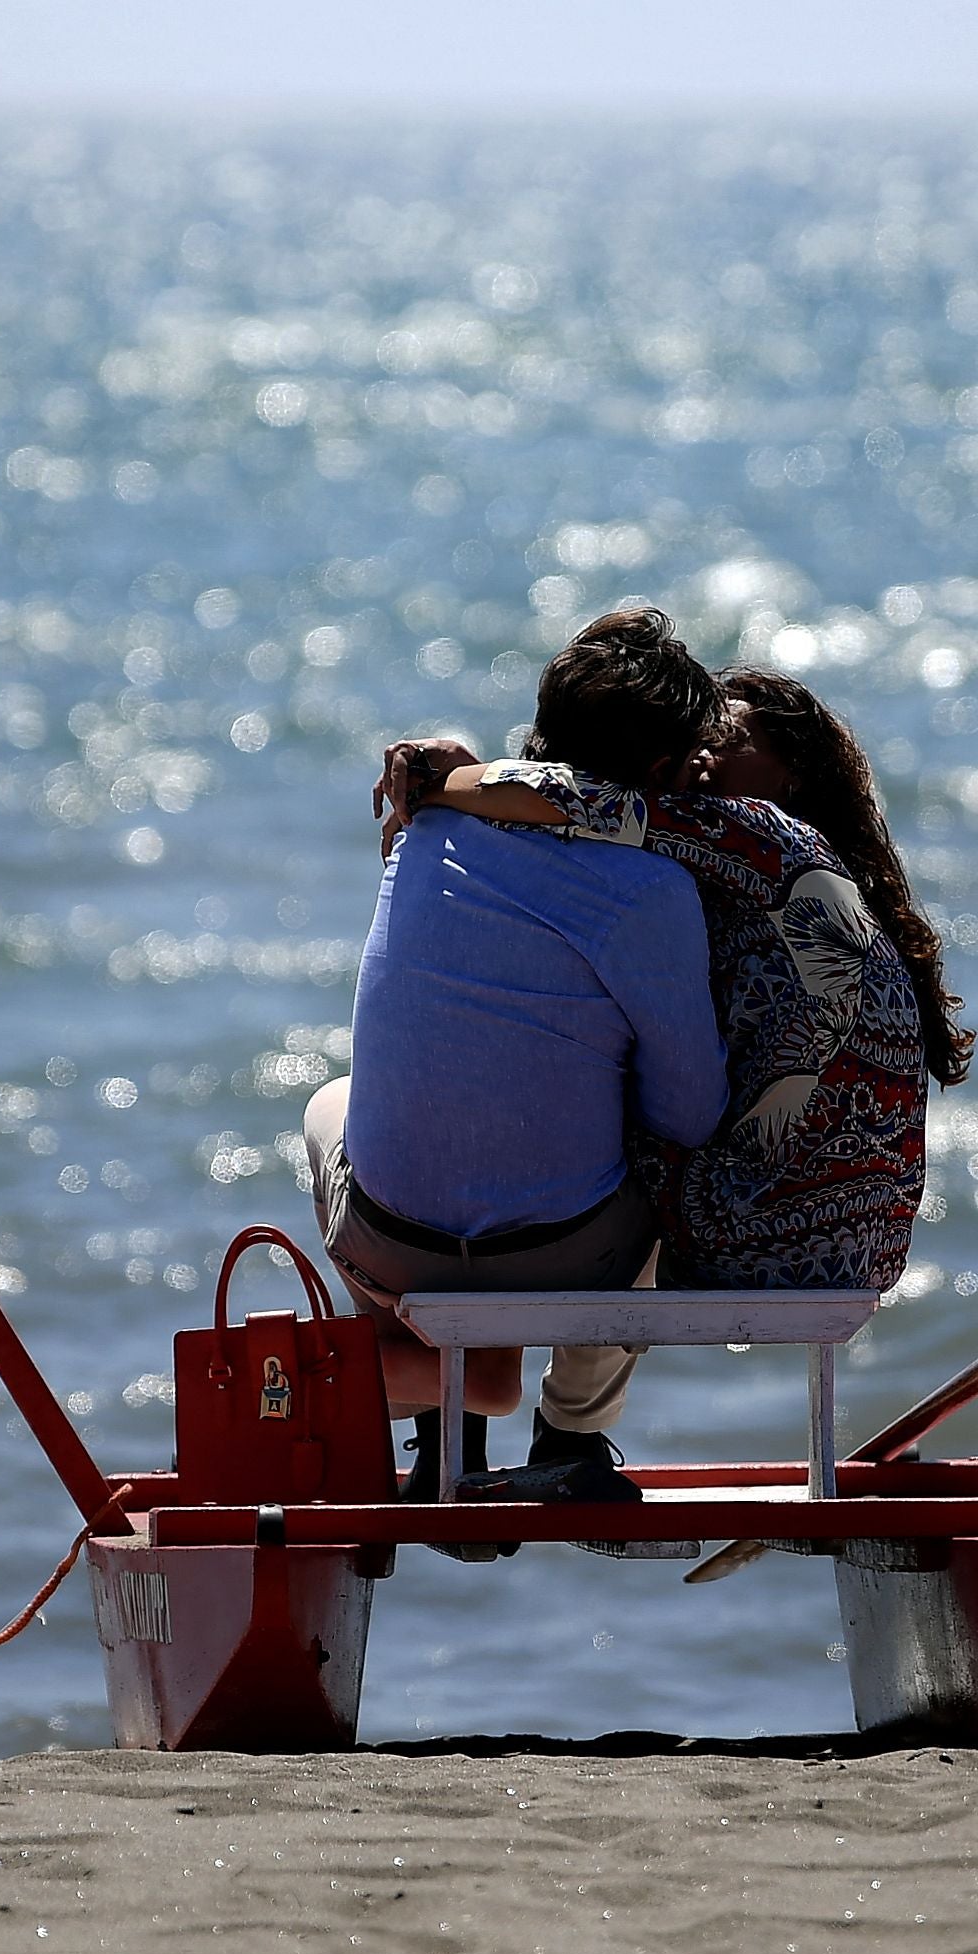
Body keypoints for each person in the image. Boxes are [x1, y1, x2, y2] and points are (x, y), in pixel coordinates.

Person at [301, 608, 726, 1518]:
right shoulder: (654, 889)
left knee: (331, 1101)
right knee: (665, 1170)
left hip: (395, 1243)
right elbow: (691, 1112)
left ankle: (444, 1422)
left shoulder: (424, 829)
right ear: (659, 774)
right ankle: (570, 1434)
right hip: (563, 1254)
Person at [378, 667, 970, 1292]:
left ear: (792, 773)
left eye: (727, 740)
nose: (703, 755)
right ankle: (571, 1391)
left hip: (744, 1241)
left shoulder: (760, 836)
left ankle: (551, 1385)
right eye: (698, 741)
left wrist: (440, 781)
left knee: (593, 1087)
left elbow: (584, 800)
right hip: (862, 1255)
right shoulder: (812, 884)